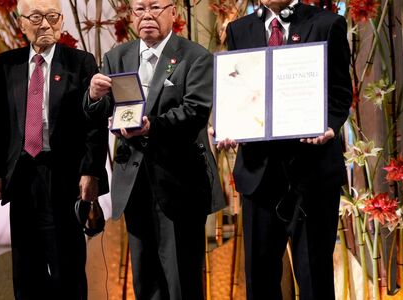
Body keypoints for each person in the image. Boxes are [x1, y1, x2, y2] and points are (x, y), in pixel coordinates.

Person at [85, 0, 224, 298]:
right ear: (131, 16)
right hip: (134, 184)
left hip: (180, 183)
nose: (147, 15)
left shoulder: (195, 57)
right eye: (140, 9)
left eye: (156, 7)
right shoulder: (116, 57)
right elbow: (102, 113)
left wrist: (152, 126)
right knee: (146, 281)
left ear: (173, 13)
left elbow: (195, 111)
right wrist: (94, 97)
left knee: (181, 281)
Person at [216, 0, 352, 299]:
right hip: (258, 175)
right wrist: (228, 125)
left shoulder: (327, 24)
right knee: (260, 279)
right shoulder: (240, 29)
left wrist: (329, 126)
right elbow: (238, 89)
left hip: (312, 174)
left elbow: (341, 92)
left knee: (314, 277)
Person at [0, 0, 108, 298]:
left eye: (52, 17)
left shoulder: (81, 62)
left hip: (64, 176)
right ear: (21, 23)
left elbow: (95, 124)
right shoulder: (8, 63)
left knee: (67, 265)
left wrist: (91, 171)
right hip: (22, 174)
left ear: (62, 20)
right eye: (37, 17)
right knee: (26, 269)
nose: (45, 24)